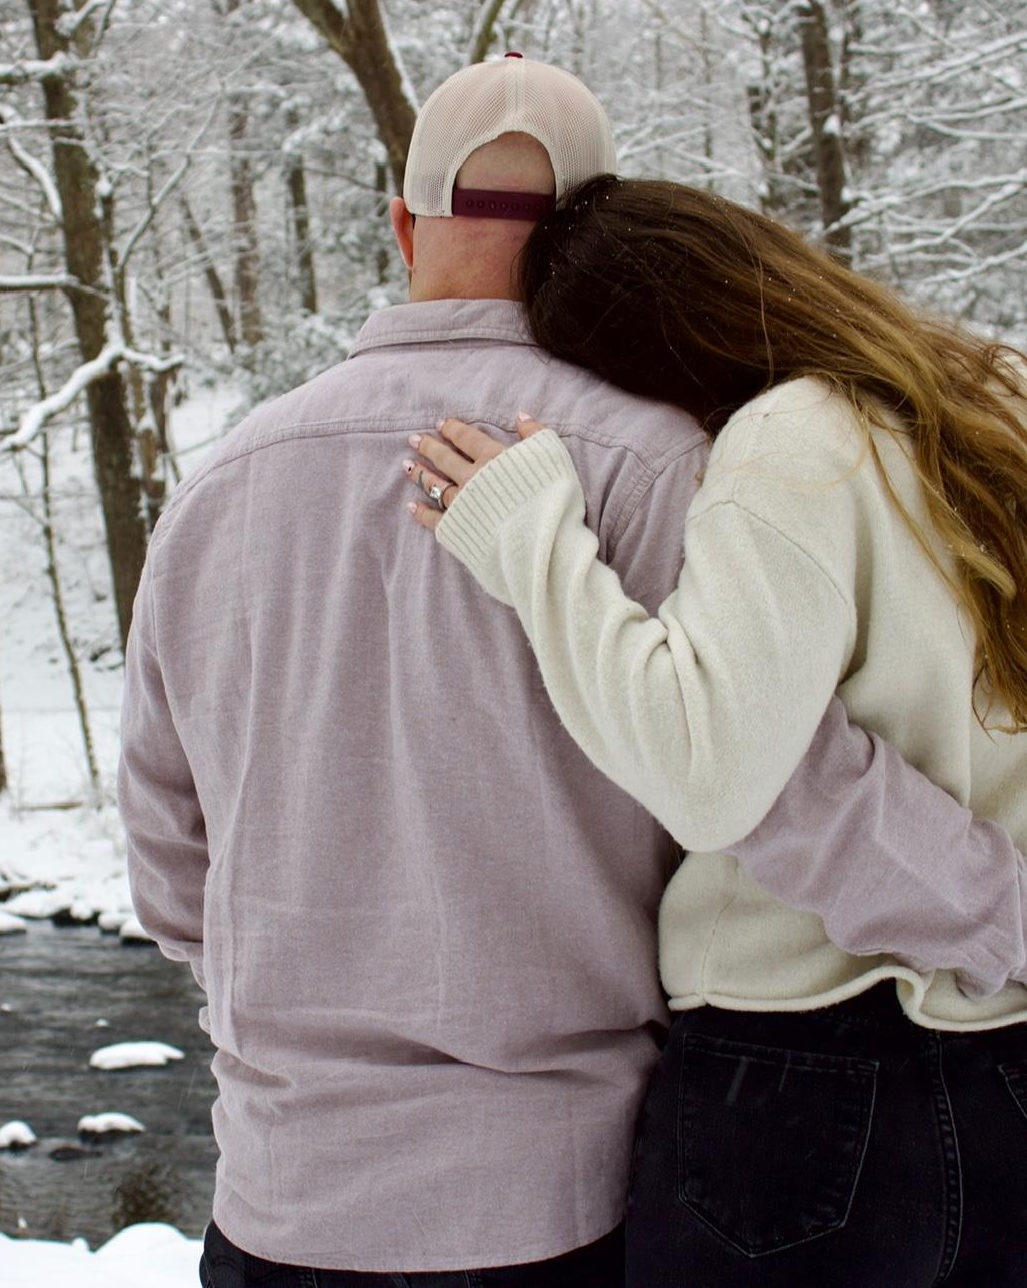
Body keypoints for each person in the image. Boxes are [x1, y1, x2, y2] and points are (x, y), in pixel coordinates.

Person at [119, 57, 1025, 1285]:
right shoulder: (654, 465)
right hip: (552, 1202)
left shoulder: (215, 490)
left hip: (279, 1199)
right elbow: (782, 795)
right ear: (591, 230)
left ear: (400, 224)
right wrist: (997, 915)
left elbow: (172, 871)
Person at [404, 173, 1027, 1285]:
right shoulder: (990, 392)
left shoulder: (790, 438)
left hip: (806, 1070)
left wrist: (534, 540)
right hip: (1004, 1064)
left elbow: (707, 769)